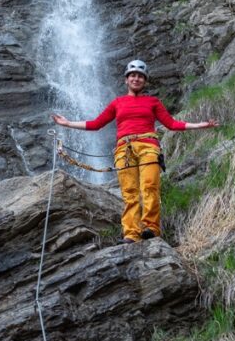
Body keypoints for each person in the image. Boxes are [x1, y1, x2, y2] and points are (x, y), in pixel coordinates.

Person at [52, 59, 218, 243]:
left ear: (145, 81)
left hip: (149, 146)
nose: (136, 79)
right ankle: (131, 233)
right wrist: (67, 123)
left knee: (149, 186)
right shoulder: (117, 103)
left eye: (140, 76)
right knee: (129, 192)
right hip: (124, 149)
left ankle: (150, 228)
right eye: (133, 75)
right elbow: (95, 124)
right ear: (126, 80)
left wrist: (200, 125)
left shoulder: (153, 102)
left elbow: (172, 124)